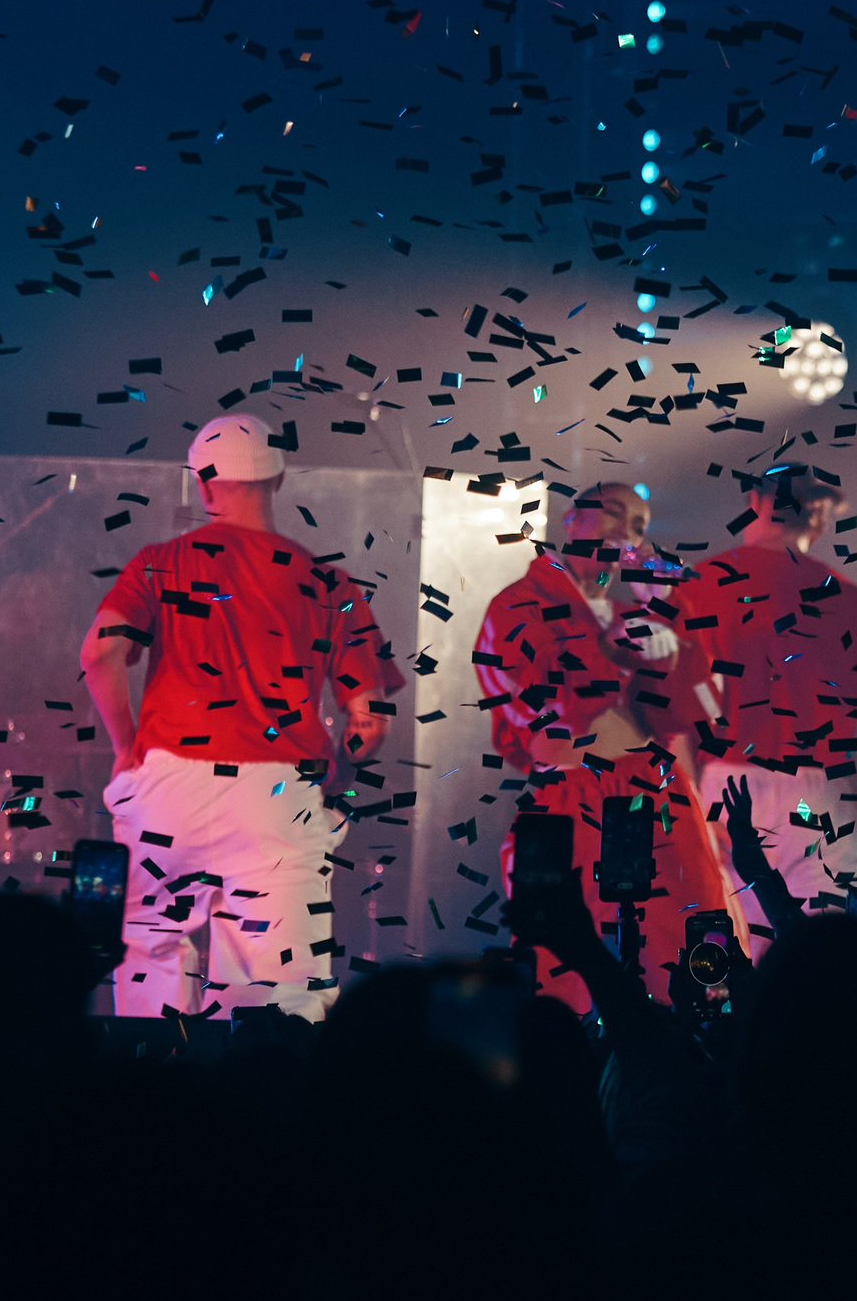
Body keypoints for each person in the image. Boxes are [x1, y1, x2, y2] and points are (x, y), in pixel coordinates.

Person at [78, 413, 403, 1022]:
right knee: (276, 999)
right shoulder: (329, 582)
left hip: (168, 784)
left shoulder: (160, 561)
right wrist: (339, 769)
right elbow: (370, 721)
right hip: (277, 794)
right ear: (277, 479)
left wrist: (127, 749)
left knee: (151, 957)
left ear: (203, 486)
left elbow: (99, 652)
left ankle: (144, 1106)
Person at [473, 483, 731, 1008]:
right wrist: (615, 642)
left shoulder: (631, 613)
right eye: (613, 512)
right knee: (560, 958)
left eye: (638, 525)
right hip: (567, 796)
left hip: (649, 790)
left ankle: (682, 1067)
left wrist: (672, 626)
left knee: (682, 936)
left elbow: (698, 708)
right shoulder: (516, 605)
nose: (625, 530)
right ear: (571, 521)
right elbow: (542, 708)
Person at [663, 465, 857, 918]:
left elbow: (671, 728)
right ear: (821, 520)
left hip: (727, 792)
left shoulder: (697, 591)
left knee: (725, 960)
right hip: (822, 798)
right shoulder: (853, 603)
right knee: (816, 971)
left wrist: (696, 813)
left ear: (755, 503)